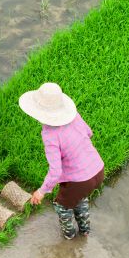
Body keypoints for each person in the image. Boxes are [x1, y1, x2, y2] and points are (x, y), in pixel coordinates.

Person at [19, 82, 105, 240]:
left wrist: (41, 191)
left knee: (62, 206)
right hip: (98, 170)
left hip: (80, 180)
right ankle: (85, 231)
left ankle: (70, 238)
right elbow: (89, 133)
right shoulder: (74, 116)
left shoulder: (49, 135)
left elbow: (56, 171)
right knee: (78, 198)